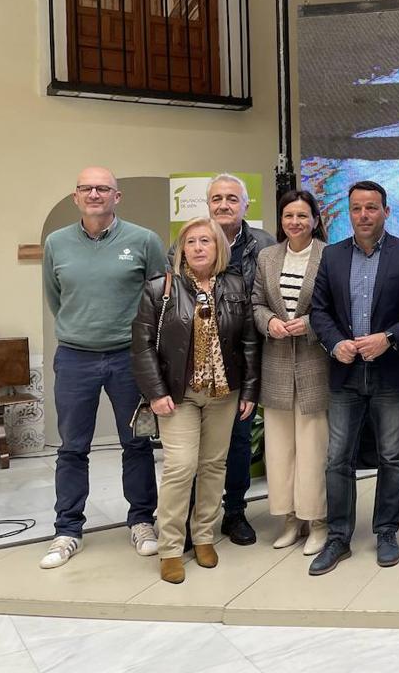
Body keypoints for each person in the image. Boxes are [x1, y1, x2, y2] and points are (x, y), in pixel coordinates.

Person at [40, 167, 167, 569]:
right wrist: (82, 329)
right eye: (86, 188)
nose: (94, 194)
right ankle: (67, 530)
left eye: (103, 188)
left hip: (130, 357)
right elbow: (56, 298)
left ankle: (142, 521)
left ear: (117, 197)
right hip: (76, 357)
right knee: (72, 448)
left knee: (137, 443)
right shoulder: (57, 243)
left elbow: (161, 298)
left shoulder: (144, 240)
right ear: (76, 196)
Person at [307, 181, 399, 576]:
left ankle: (386, 532)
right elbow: (319, 310)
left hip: (391, 373)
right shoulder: (332, 256)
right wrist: (334, 343)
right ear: (349, 212)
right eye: (357, 208)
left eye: (372, 208)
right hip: (345, 374)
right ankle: (339, 537)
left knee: (393, 458)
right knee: (337, 460)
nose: (364, 215)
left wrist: (390, 338)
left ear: (386, 212)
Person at [131, 217, 259, 584]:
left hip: (224, 393)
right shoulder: (160, 288)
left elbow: (249, 342)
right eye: (191, 241)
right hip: (178, 396)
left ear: (220, 247)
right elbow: (141, 348)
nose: (199, 247)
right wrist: (155, 393)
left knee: (214, 465)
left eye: (207, 241)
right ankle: (171, 546)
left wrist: (250, 390)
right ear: (181, 248)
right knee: (181, 467)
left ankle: (204, 535)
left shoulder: (236, 285)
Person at [174, 173, 274, 547]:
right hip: (194, 363)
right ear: (208, 204)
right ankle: (192, 518)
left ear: (246, 205)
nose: (224, 205)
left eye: (232, 198)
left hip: (241, 360)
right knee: (192, 449)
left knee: (236, 442)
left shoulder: (263, 245)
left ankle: (234, 513)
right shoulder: (189, 241)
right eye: (217, 198)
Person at [250, 190, 330, 556]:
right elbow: (255, 304)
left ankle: (317, 522)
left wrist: (310, 323)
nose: (294, 222)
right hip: (277, 364)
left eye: (302, 215)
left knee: (313, 448)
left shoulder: (329, 256)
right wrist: (270, 323)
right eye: (288, 216)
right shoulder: (267, 257)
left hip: (315, 364)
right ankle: (288, 520)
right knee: (279, 449)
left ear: (315, 219)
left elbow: (337, 308)